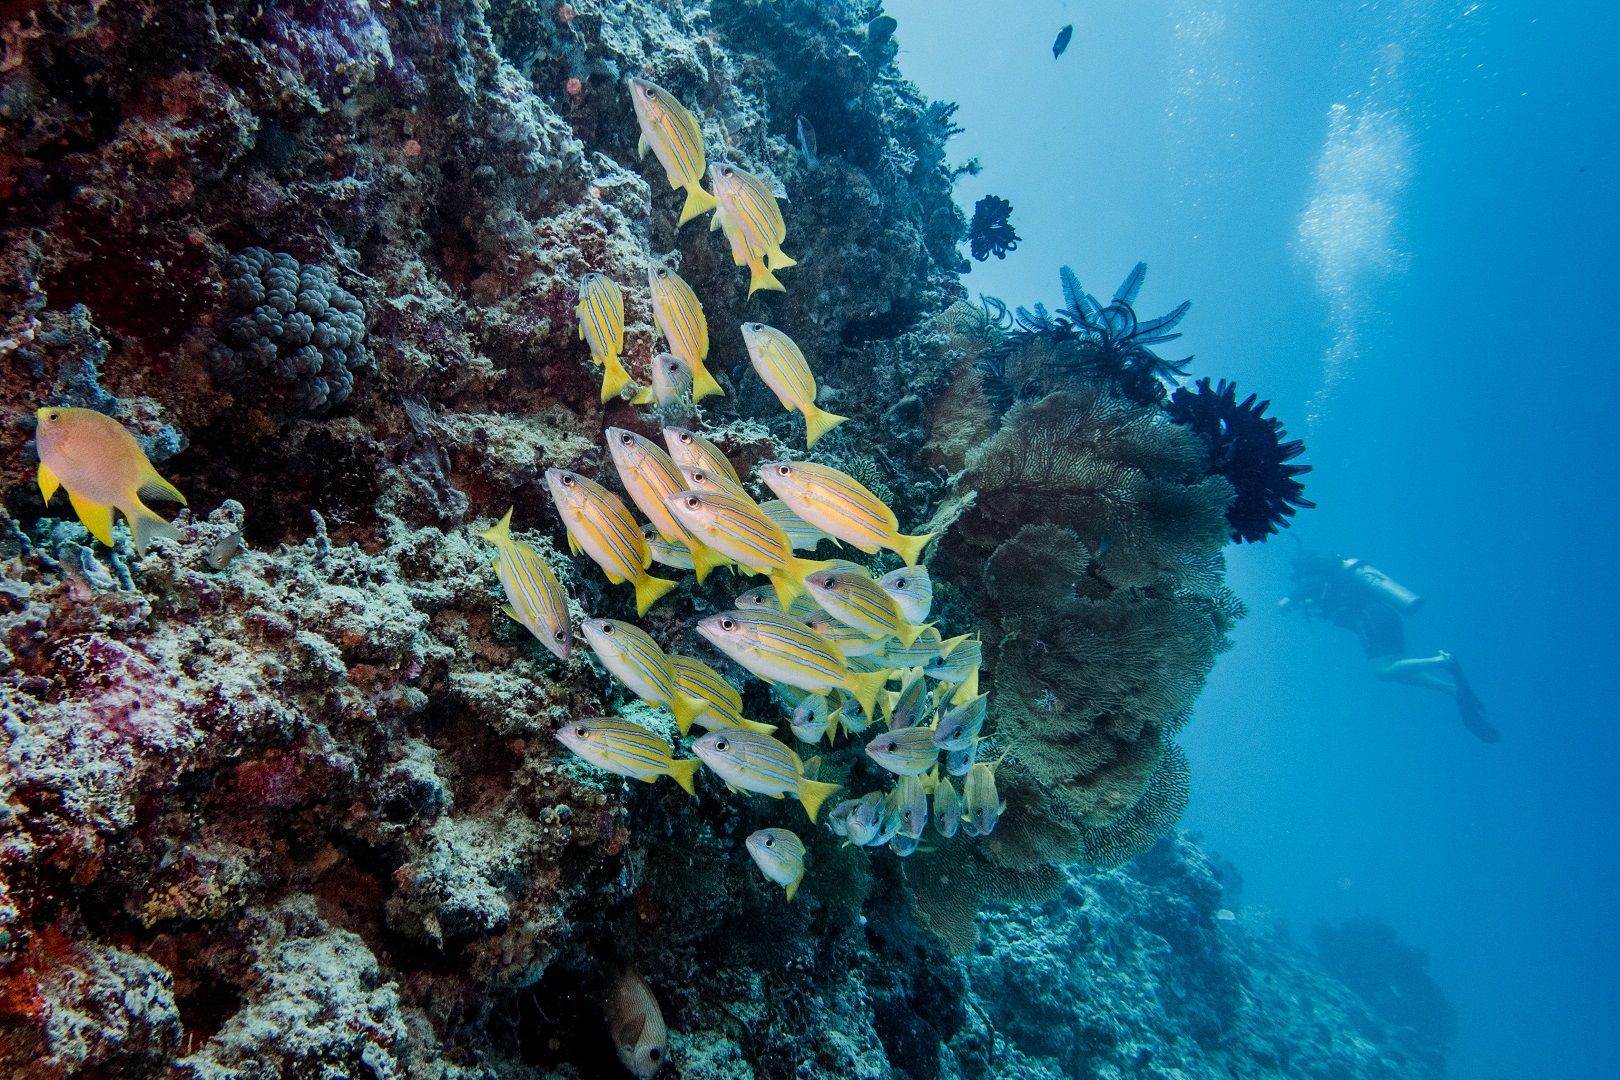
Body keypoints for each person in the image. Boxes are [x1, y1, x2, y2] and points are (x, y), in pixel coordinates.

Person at [1281, 549, 1499, 743]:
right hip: (1384, 615)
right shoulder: (1331, 580)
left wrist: (1286, 602)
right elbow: (1330, 603)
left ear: (1302, 568)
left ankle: (1443, 661)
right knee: (1396, 669)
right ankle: (1451, 689)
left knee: (1383, 671)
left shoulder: (1312, 579)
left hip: (1369, 619)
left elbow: (1293, 597)